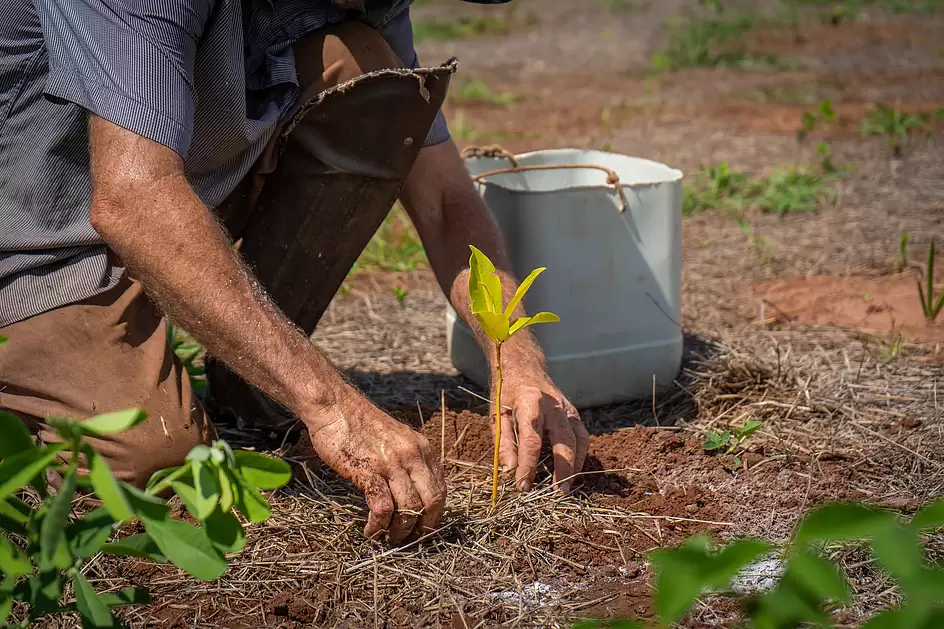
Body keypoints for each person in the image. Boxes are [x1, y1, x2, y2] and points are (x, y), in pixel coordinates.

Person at [0, 0, 589, 543]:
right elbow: (132, 200)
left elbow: (444, 198)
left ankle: (253, 381)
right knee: (157, 463)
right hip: (39, 242)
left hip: (168, 197)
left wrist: (516, 355)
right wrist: (333, 408)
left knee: (366, 70)